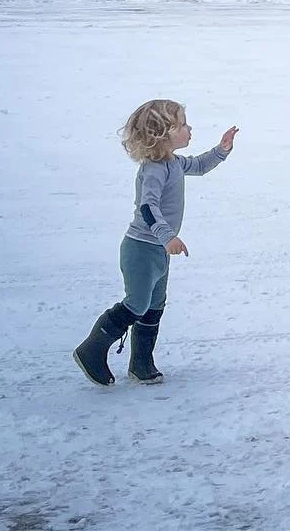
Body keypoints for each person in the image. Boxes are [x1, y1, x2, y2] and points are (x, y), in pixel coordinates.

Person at [73, 99, 239, 386]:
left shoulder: (173, 162)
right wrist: (167, 236)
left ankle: (141, 363)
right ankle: (91, 350)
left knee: (154, 305)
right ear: (163, 133)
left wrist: (221, 150)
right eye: (183, 125)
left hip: (159, 249)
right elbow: (147, 208)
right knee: (136, 304)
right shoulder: (154, 169)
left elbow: (199, 165)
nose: (189, 129)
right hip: (141, 248)